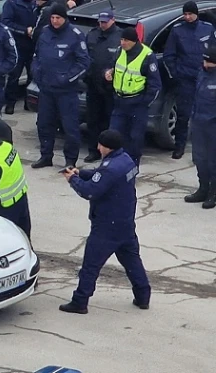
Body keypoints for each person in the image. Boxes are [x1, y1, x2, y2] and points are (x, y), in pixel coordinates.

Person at [59, 129, 151, 314]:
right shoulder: (125, 159)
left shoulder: (110, 168)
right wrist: (82, 173)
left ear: (104, 146)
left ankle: (80, 301)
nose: (98, 147)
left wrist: (73, 179)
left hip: (106, 226)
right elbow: (100, 176)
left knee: (90, 265)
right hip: (125, 222)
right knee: (132, 261)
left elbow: (90, 191)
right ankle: (143, 296)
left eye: (99, 144)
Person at [31, 3, 90, 169]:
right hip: (46, 89)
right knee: (44, 124)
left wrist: (67, 78)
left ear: (64, 18)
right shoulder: (44, 32)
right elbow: (36, 56)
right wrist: (36, 72)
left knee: (70, 127)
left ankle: (70, 161)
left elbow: (84, 63)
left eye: (58, 18)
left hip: (66, 91)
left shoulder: (75, 35)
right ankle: (46, 156)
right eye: (53, 17)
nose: (55, 21)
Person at [164, 1, 216, 159]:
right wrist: (176, 74)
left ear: (196, 14)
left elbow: (213, 52)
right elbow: (169, 55)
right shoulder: (177, 30)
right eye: (185, 14)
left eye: (190, 14)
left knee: (205, 114)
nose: (187, 17)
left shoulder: (207, 28)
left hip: (205, 77)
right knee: (183, 114)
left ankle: (205, 148)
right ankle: (179, 146)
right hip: (185, 78)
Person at [105, 27, 161, 168]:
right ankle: (112, 165)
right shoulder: (119, 51)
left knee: (135, 138)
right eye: (122, 39)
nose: (123, 43)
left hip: (137, 104)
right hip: (119, 102)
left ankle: (132, 166)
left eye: (126, 40)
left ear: (135, 41)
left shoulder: (147, 56)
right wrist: (107, 73)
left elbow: (155, 85)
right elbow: (110, 67)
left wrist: (144, 103)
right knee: (113, 135)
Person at [82, 10, 121, 163]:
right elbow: (84, 56)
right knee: (92, 120)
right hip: (92, 84)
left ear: (113, 20)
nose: (102, 24)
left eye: (105, 21)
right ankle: (94, 150)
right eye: (100, 21)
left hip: (110, 87)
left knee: (108, 121)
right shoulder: (92, 35)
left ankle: (109, 152)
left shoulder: (119, 37)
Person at [184, 46, 216, 208]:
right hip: (198, 123)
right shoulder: (202, 73)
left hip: (213, 126)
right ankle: (203, 189)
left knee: (213, 161)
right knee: (200, 158)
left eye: (209, 62)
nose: (205, 64)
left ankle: (213, 193)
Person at [0, 0, 36, 114]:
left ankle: (28, 103)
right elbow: (6, 23)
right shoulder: (11, 4)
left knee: (32, 76)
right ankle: (10, 104)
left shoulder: (35, 4)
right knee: (14, 77)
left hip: (33, 46)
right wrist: (24, 30)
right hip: (17, 46)